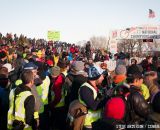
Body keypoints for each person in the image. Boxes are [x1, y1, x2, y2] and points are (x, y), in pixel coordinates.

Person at [78, 65, 107, 130]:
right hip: (88, 124)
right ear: (96, 76)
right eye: (102, 76)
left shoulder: (97, 86)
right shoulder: (85, 88)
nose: (103, 78)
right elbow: (94, 106)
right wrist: (106, 98)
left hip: (96, 121)